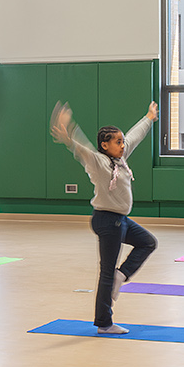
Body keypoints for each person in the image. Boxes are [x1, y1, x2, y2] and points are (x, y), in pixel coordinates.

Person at [52, 99, 158, 335]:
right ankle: (104, 323)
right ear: (105, 145)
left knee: (148, 242)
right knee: (106, 271)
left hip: (121, 220)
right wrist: (69, 136)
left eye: (121, 142)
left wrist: (149, 118)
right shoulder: (99, 162)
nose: (122, 145)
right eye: (117, 142)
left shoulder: (120, 158)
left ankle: (122, 275)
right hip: (107, 221)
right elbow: (83, 149)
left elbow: (134, 136)